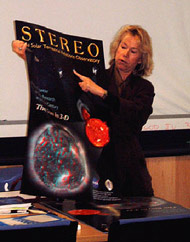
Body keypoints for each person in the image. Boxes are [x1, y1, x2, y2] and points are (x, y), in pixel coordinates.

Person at [12, 24, 155, 197]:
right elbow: (60, 81)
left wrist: (101, 93)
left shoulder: (144, 88)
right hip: (97, 166)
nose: (125, 54)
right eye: (123, 47)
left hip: (129, 170)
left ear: (141, 59)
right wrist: (30, 57)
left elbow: (135, 115)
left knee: (137, 220)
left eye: (133, 51)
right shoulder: (97, 75)